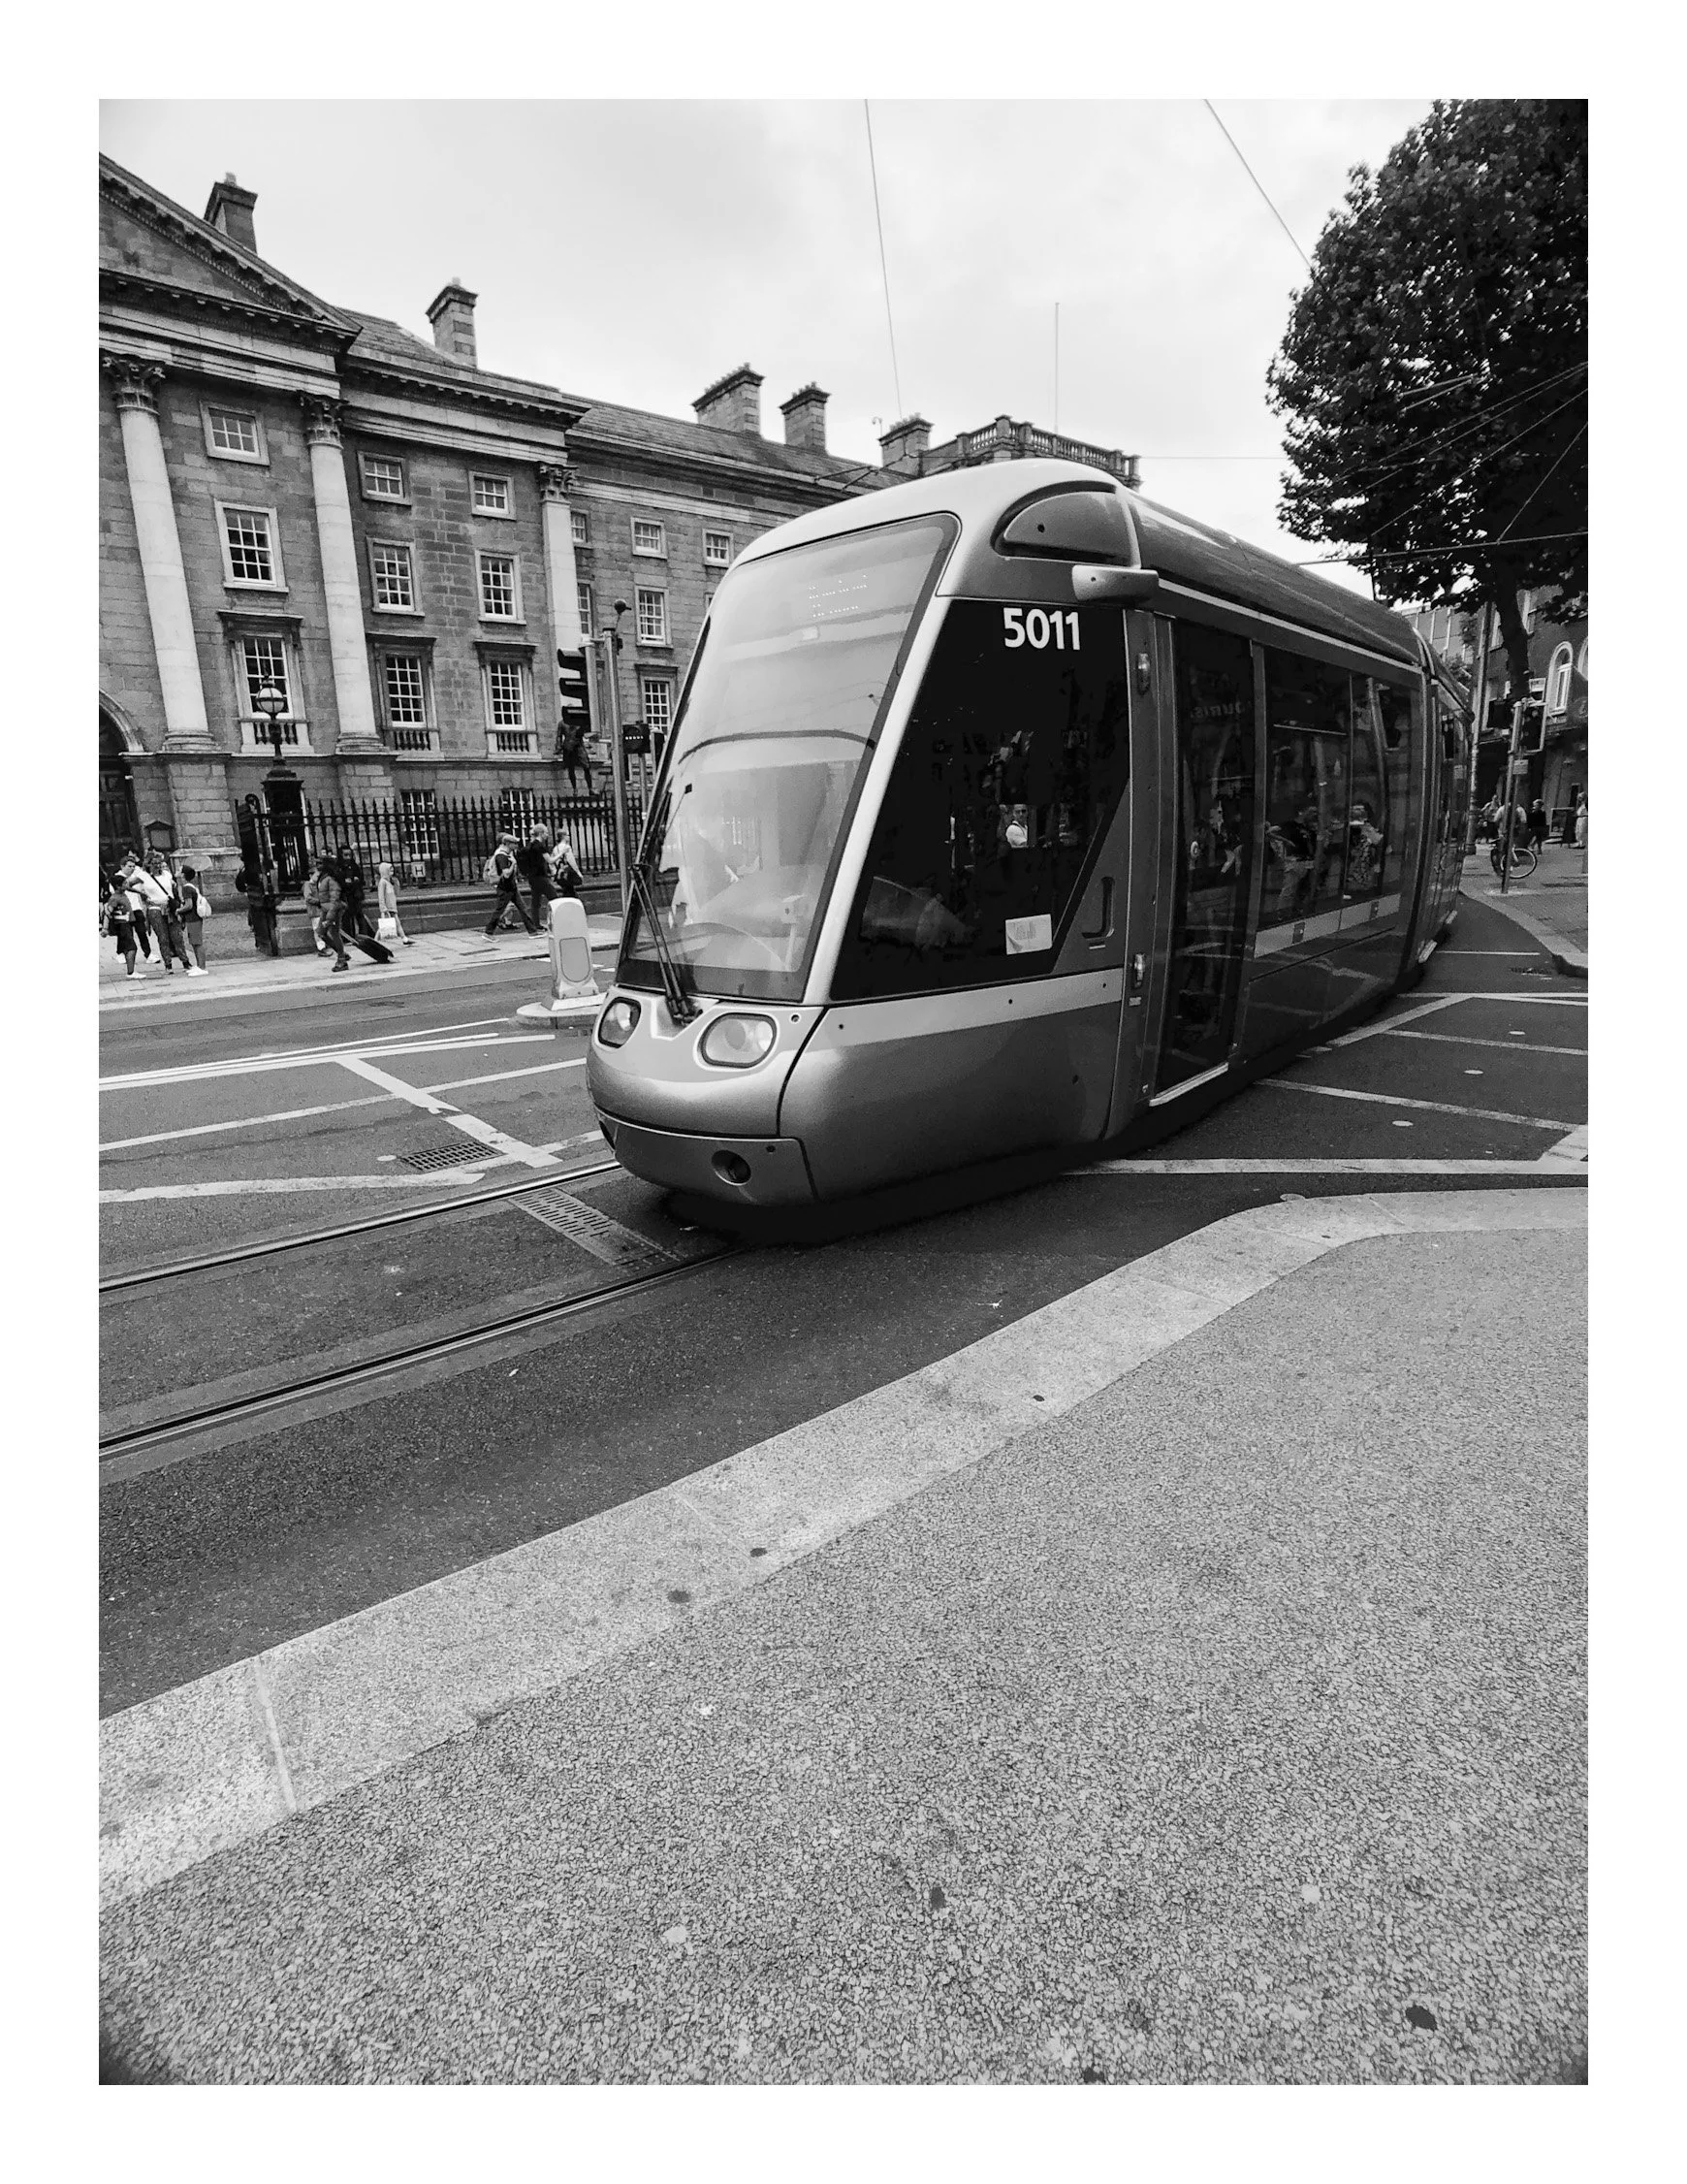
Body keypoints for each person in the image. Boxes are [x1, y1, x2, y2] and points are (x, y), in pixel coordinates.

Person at [124, 852, 193, 975]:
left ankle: (185, 961)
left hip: (169, 907)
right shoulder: (143, 876)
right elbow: (127, 884)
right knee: (163, 937)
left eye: (159, 863)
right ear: (149, 864)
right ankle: (168, 964)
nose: (157, 866)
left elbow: (173, 888)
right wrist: (141, 893)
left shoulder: (167, 874)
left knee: (177, 936)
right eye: (154, 863)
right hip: (155, 908)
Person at [484, 833, 536, 936]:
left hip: (512, 887)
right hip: (505, 888)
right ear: (508, 844)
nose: (516, 845)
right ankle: (488, 932)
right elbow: (506, 874)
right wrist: (513, 864)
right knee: (499, 911)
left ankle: (533, 931)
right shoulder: (501, 856)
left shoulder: (507, 855)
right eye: (514, 843)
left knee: (523, 909)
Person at [236, 857, 281, 956]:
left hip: (267, 897)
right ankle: (261, 939)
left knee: (261, 916)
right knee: (256, 915)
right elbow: (240, 884)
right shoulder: (248, 869)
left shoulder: (270, 867)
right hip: (260, 897)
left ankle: (264, 939)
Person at [517, 827, 557, 931]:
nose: (547, 835)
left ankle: (536, 924)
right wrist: (561, 853)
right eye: (546, 833)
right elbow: (550, 860)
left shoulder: (530, 845)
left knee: (535, 902)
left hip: (532, 877)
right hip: (540, 876)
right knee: (555, 899)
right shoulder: (539, 846)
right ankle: (559, 921)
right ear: (541, 833)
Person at [177, 863, 211, 971]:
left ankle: (202, 966)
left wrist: (178, 910)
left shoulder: (186, 888)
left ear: (183, 875)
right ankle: (199, 965)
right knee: (194, 942)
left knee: (197, 942)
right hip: (193, 918)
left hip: (193, 918)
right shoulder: (191, 887)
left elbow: (189, 905)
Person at [103, 878, 140, 978]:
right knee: (132, 948)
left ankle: (131, 971)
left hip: (127, 924)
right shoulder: (115, 898)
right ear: (118, 886)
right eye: (125, 883)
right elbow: (108, 913)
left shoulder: (123, 894)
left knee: (129, 948)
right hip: (122, 925)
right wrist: (105, 928)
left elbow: (131, 888)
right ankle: (130, 972)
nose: (127, 885)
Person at [374, 859, 412, 947]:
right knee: (385, 925)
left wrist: (396, 883)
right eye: (390, 871)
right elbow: (381, 896)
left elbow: (396, 893)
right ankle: (376, 940)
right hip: (387, 908)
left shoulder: (389, 882)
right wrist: (383, 909)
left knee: (395, 923)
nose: (392, 872)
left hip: (392, 906)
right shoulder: (382, 882)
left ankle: (404, 938)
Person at [558, 722, 594, 797]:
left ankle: (590, 788)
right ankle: (574, 789)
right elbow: (559, 736)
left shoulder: (578, 721)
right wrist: (559, 746)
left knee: (586, 767)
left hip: (579, 746)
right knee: (571, 768)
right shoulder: (562, 723)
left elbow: (585, 733)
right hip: (568, 747)